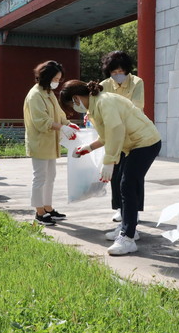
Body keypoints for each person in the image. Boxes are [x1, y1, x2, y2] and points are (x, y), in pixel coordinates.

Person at [59, 80, 161, 256]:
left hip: (145, 143)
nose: (75, 109)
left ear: (76, 98)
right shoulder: (96, 106)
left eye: (72, 105)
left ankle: (128, 238)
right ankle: (128, 228)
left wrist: (109, 161)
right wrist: (88, 148)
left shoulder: (105, 102)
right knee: (124, 184)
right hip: (133, 145)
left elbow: (116, 130)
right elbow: (107, 136)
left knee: (127, 184)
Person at [23, 61, 79, 226]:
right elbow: (41, 121)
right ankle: (39, 212)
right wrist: (62, 127)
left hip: (50, 142)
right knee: (40, 177)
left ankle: (48, 208)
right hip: (39, 142)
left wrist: (68, 124)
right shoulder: (35, 95)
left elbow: (59, 113)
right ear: (46, 77)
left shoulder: (48, 93)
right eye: (55, 78)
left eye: (59, 79)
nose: (57, 82)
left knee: (51, 177)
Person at [99, 51, 145, 223]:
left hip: (134, 135)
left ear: (127, 70)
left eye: (120, 71)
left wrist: (113, 114)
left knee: (133, 175)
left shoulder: (136, 82)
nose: (118, 75)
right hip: (114, 134)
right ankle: (119, 207)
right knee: (116, 173)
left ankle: (135, 209)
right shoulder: (104, 85)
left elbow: (136, 107)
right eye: (114, 72)